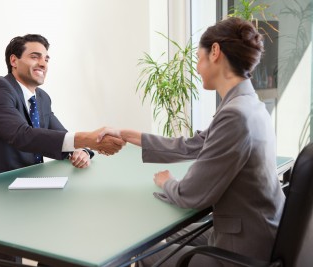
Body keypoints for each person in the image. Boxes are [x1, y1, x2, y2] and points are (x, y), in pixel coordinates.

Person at [98, 17, 285, 267]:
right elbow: (192, 145)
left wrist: (167, 182)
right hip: (256, 230)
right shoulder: (248, 104)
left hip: (242, 251)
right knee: (172, 232)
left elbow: (192, 195)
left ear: (215, 52)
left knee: (144, 251)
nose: (196, 68)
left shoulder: (235, 115)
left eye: (198, 58)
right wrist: (125, 134)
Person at [0, 34, 125, 266]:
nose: (43, 63)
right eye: (35, 56)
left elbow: (60, 135)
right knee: (22, 228)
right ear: (14, 60)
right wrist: (88, 139)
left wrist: (83, 150)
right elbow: (21, 135)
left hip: (24, 182)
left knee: (67, 222)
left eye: (46, 58)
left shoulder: (42, 98)